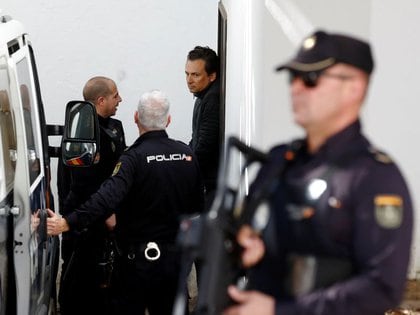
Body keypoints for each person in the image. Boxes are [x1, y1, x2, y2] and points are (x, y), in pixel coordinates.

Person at [223, 30, 413, 315]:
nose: (295, 88)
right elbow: (249, 236)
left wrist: (279, 310)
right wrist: (247, 245)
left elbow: (382, 287)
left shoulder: (374, 177)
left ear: (354, 88)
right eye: (292, 78)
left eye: (311, 79)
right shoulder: (279, 161)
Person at [49, 89, 205, 315]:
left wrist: (68, 222)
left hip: (137, 264)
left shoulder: (133, 158)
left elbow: (106, 197)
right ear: (168, 120)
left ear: (135, 118)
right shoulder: (187, 154)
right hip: (175, 263)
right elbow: (197, 207)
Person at [57, 76, 126, 315]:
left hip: (104, 214)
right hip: (84, 219)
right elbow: (83, 183)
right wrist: (107, 213)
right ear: (101, 99)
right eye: (116, 95)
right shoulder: (82, 130)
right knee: (79, 279)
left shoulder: (112, 127)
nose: (120, 100)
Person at [185, 45, 221, 208]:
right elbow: (197, 139)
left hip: (211, 184)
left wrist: (183, 168)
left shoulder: (212, 99)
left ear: (212, 76)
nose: (189, 80)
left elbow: (205, 146)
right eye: (187, 74)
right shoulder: (202, 95)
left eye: (196, 75)